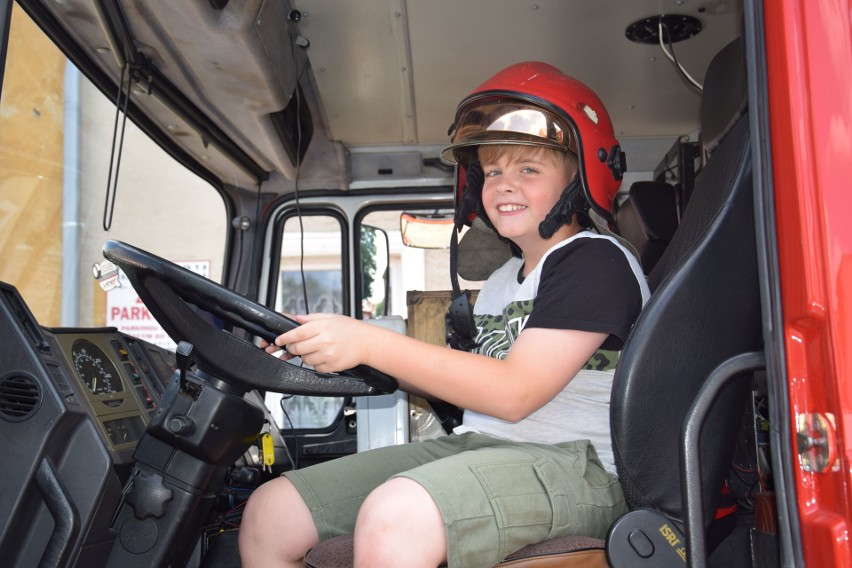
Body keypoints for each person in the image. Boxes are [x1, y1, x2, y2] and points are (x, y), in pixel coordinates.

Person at [239, 61, 650, 568]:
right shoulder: (504, 279)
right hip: (481, 445)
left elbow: (514, 391)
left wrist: (370, 342)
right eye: (493, 171)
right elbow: (478, 390)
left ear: (581, 178)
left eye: (528, 169)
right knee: (271, 511)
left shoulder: (595, 261)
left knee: (395, 517)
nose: (503, 184)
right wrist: (326, 345)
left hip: (581, 466)